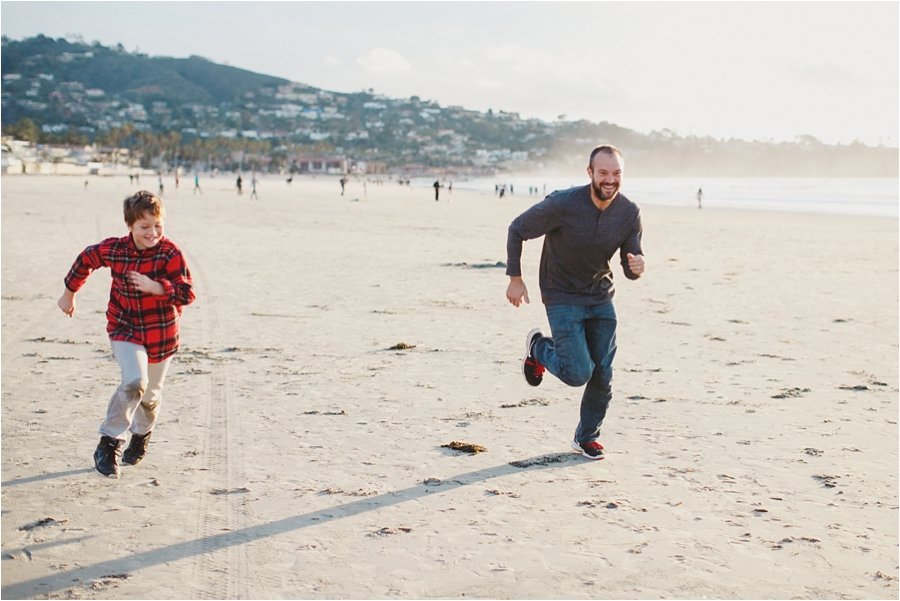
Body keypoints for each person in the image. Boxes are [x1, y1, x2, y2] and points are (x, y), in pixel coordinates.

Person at [505, 145, 645, 460]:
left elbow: (629, 263)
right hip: (561, 294)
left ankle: (586, 438)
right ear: (590, 173)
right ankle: (539, 347)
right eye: (604, 172)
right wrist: (515, 278)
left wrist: (636, 267)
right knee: (578, 372)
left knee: (603, 374)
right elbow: (517, 229)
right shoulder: (563, 204)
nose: (610, 179)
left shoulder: (628, 213)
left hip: (600, 297)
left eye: (617, 173)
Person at [57, 191, 195, 478]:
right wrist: (69, 294)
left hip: (161, 335)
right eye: (145, 227)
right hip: (124, 328)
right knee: (135, 381)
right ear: (130, 225)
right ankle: (108, 444)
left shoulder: (170, 253)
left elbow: (186, 293)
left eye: (158, 225)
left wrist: (157, 287)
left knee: (151, 396)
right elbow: (86, 259)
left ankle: (141, 436)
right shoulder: (116, 249)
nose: (153, 232)